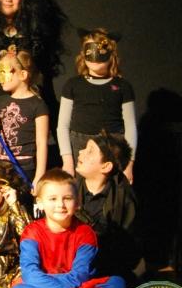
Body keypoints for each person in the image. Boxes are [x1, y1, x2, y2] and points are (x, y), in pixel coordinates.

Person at [9, 168, 125, 288]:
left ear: (77, 203)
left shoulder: (85, 233)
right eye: (53, 199)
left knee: (117, 284)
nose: (60, 205)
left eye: (67, 198)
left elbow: (80, 276)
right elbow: (30, 273)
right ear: (40, 202)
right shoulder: (32, 232)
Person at [57, 28, 137, 183]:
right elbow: (62, 126)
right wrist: (67, 161)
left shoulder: (123, 87)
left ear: (111, 54)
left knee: (111, 190)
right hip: (79, 147)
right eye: (90, 50)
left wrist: (129, 165)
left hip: (112, 146)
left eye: (100, 51)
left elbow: (130, 126)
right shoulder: (73, 85)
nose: (95, 57)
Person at [74, 132, 142, 286]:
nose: (81, 152)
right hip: (71, 269)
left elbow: (125, 248)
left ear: (106, 166)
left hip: (107, 272)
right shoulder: (70, 188)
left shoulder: (123, 198)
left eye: (90, 151)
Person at [0, 46, 49, 190]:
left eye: (5, 72)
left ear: (23, 74)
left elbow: (41, 143)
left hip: (22, 168)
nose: (0, 78)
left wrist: (40, 174)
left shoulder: (38, 105)